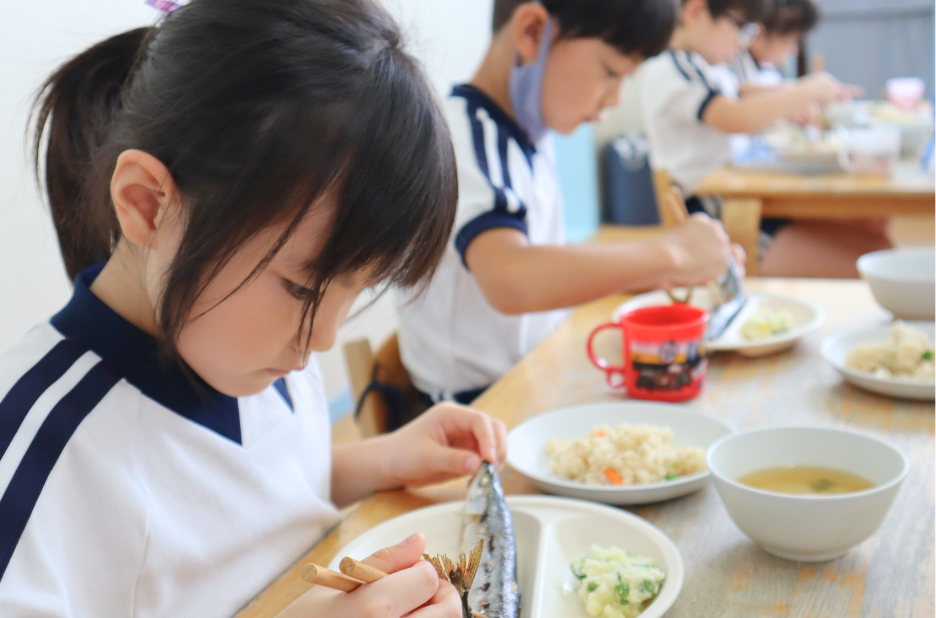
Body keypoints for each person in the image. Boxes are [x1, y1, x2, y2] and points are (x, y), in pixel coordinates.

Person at [0, 1, 506, 616]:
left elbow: (245, 495)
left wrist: (380, 459)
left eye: (358, 290)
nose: (324, 338)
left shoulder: (245, 347)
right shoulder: (38, 451)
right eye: (304, 288)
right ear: (148, 205)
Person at [396, 0, 742, 406]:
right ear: (532, 32)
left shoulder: (526, 138)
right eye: (612, 72)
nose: (615, 98)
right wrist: (669, 254)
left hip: (529, 379)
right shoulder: (466, 138)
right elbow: (512, 279)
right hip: (471, 413)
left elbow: (550, 265)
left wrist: (665, 268)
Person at [636, 0, 891, 277]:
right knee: (872, 256)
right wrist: (805, 91)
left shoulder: (704, 64)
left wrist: (795, 95)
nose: (745, 43)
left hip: (742, 200)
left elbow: (744, 94)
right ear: (696, 11)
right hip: (719, 218)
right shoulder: (673, 68)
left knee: (873, 231)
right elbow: (735, 117)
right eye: (741, 28)